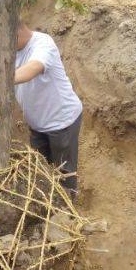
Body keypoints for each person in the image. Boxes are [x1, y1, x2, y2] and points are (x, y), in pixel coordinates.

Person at [14, 22, 83, 197]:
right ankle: (49, 205)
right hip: (37, 126)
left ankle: (68, 214)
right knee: (40, 173)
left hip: (61, 123)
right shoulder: (9, 50)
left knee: (64, 174)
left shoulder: (42, 44)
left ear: (17, 31)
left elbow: (33, 68)